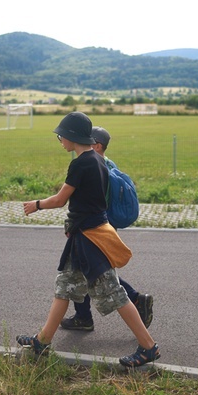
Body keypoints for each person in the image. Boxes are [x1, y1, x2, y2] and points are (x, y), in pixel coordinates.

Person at [18, 112, 161, 367]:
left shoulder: (81, 163)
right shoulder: (99, 160)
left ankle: (148, 347)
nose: (60, 140)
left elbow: (62, 199)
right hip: (85, 233)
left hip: (90, 239)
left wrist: (37, 204)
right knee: (65, 287)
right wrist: (73, 224)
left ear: (71, 136)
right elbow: (92, 202)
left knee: (114, 293)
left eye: (61, 136)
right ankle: (42, 342)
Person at [60, 125, 154, 332]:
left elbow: (85, 202)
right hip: (103, 226)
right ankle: (83, 316)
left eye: (88, 140)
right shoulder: (109, 164)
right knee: (87, 270)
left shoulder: (94, 165)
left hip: (94, 228)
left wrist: (73, 225)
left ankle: (135, 301)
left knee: (100, 273)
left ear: (98, 145)